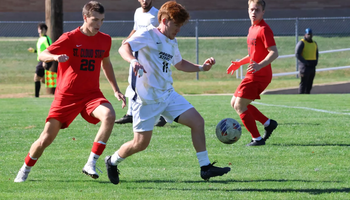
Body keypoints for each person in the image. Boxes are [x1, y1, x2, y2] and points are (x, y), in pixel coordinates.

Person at [105, 1, 230, 185]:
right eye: (176, 25)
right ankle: (112, 161)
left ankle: (205, 168)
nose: (179, 29)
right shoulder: (147, 33)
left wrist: (202, 68)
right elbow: (123, 47)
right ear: (164, 20)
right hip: (146, 100)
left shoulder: (172, 41)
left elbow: (179, 64)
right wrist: (132, 61)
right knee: (140, 144)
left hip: (167, 95)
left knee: (197, 122)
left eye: (181, 25)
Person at [14, 1, 126, 183]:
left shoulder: (105, 39)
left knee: (109, 115)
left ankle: (91, 162)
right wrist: (55, 56)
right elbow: (43, 55)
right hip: (66, 97)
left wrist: (116, 90)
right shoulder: (69, 38)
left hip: (91, 94)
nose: (98, 24)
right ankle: (25, 168)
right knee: (45, 139)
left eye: (102, 20)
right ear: (85, 18)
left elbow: (106, 63)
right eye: (95, 20)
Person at [227, 0, 279, 146]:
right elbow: (253, 55)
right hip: (253, 73)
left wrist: (260, 65)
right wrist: (239, 63)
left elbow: (274, 53)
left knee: (239, 105)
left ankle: (257, 139)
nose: (253, 12)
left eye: (257, 10)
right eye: (251, 9)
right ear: (248, 10)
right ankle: (268, 123)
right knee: (235, 103)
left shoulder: (264, 29)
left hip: (260, 75)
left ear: (263, 12)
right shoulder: (252, 28)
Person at [115, 0, 167, 127]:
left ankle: (162, 116)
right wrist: (127, 40)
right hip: (137, 53)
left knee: (154, 83)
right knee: (133, 82)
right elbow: (135, 29)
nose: (144, 1)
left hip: (151, 55)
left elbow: (163, 31)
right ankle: (130, 114)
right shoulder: (138, 12)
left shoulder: (157, 13)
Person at [27, 23, 53, 97]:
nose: (41, 30)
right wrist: (34, 51)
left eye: (43, 29)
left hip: (45, 61)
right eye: (40, 29)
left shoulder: (46, 39)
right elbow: (41, 51)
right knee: (43, 80)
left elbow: (50, 49)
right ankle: (58, 82)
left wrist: (45, 61)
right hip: (40, 60)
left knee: (36, 78)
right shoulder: (40, 39)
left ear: (46, 30)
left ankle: (36, 96)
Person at [295, 28, 319, 94]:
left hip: (312, 65)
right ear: (305, 35)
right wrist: (305, 62)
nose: (309, 36)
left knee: (310, 83)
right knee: (304, 83)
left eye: (311, 34)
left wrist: (316, 61)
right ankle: (301, 95)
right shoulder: (302, 43)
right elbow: (297, 54)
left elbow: (316, 53)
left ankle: (308, 95)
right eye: (308, 34)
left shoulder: (314, 43)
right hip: (304, 66)